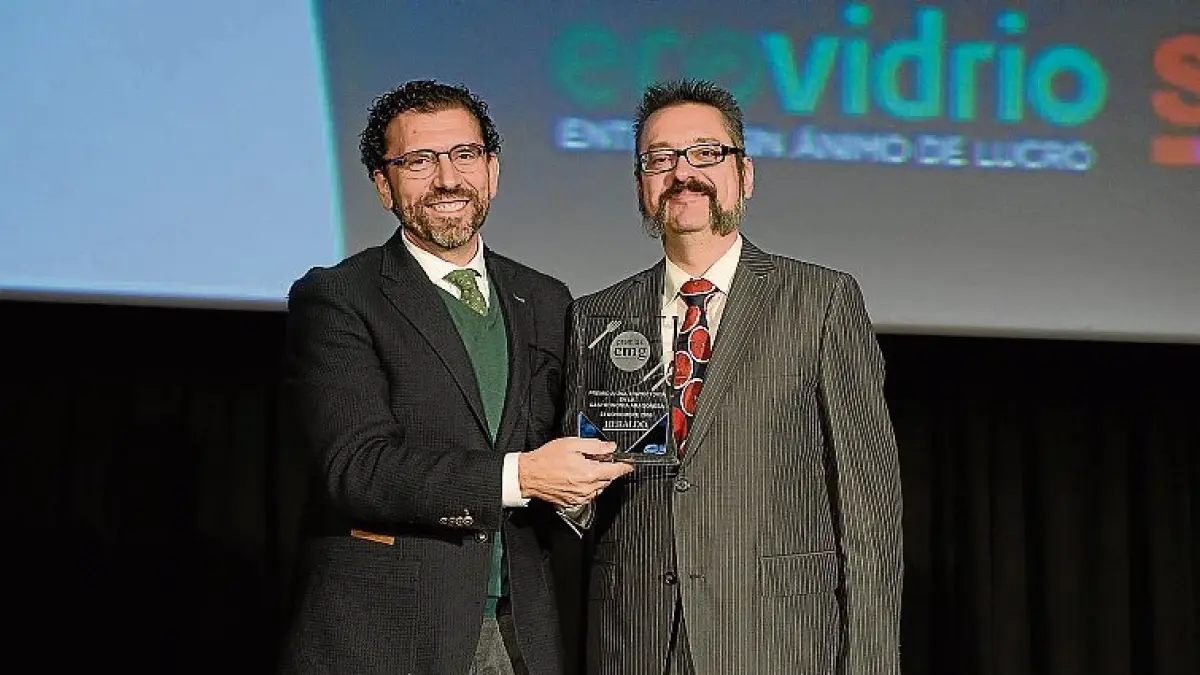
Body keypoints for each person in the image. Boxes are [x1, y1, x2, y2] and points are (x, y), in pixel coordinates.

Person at [276, 79, 631, 675]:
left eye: (465, 154)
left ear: (492, 171)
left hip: (521, 633)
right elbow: (357, 468)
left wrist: (581, 485)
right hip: (388, 637)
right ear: (382, 185)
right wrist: (524, 476)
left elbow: (559, 446)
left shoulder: (546, 298)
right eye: (419, 160)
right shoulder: (339, 297)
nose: (447, 178)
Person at [563, 79, 903, 674]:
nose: (682, 172)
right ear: (642, 186)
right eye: (660, 159)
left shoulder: (820, 300)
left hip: (775, 640)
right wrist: (572, 495)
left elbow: (867, 506)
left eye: (706, 153)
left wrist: (871, 662)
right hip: (635, 640)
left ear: (745, 175)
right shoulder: (598, 316)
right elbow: (581, 494)